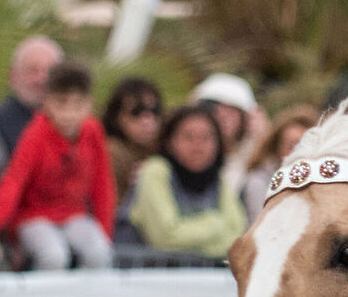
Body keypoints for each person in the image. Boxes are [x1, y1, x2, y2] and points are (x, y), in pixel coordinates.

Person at [0, 60, 114, 271]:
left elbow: (102, 185)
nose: (69, 114)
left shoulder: (93, 131)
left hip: (74, 216)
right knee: (53, 255)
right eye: (61, 103)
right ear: (47, 102)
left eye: (78, 105)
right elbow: (14, 181)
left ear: (89, 104)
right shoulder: (36, 133)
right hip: (34, 217)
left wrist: (104, 231)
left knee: (100, 252)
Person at [129, 104, 247, 259]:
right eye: (188, 137)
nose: (198, 146)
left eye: (206, 138)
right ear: (170, 141)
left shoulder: (217, 177)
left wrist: (192, 242)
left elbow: (238, 234)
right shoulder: (155, 171)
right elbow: (166, 237)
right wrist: (215, 224)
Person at [0, 35, 63, 168]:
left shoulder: (76, 127)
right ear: (12, 76)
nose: (41, 79)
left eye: (49, 72)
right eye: (33, 70)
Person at [244, 106, 322, 219]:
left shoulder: (321, 183)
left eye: (306, 145)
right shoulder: (260, 183)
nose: (298, 153)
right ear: (277, 148)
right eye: (292, 146)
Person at [102, 77, 165, 211]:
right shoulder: (111, 151)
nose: (147, 120)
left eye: (154, 111)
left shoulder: (169, 147)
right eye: (136, 112)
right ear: (116, 118)